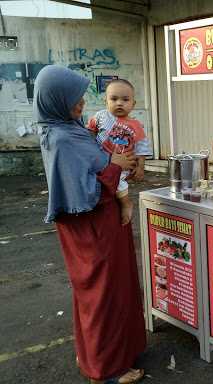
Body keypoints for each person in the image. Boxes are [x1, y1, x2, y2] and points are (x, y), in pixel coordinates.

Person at [34, 65, 146, 384]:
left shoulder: (70, 127)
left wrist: (119, 167)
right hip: (91, 228)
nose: (82, 105)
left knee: (116, 289)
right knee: (101, 294)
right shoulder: (61, 138)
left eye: (82, 98)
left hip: (105, 222)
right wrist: (115, 167)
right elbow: (85, 191)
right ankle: (106, 370)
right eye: (74, 100)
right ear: (55, 100)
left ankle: (110, 352)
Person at [88, 79, 152, 225]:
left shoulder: (135, 125)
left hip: (123, 164)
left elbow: (141, 147)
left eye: (125, 99)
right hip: (101, 161)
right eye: (114, 99)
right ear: (106, 101)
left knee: (118, 182)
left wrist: (140, 167)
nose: (119, 103)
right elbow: (89, 132)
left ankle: (126, 202)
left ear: (133, 104)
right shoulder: (100, 117)